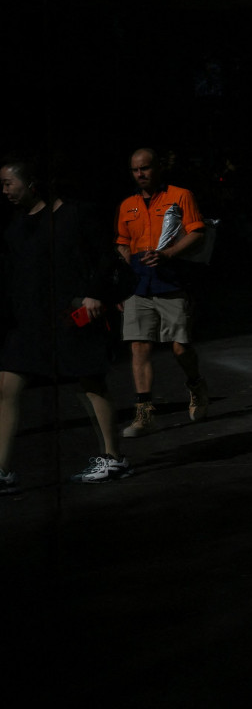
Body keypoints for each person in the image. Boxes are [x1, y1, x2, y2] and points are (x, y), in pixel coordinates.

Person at [0, 160, 127, 491]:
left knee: (90, 384)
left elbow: (106, 256)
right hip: (29, 320)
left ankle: (113, 459)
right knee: (7, 386)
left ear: (31, 184)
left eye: (8, 183)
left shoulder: (74, 214)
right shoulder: (17, 224)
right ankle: (1, 471)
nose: (4, 191)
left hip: (71, 314)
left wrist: (95, 294)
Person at [116, 148, 209, 438]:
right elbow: (122, 242)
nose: (140, 174)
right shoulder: (127, 204)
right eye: (135, 170)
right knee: (139, 346)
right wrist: (121, 282)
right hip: (138, 281)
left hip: (171, 278)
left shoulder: (180, 196)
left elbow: (197, 232)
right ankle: (144, 413)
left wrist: (168, 254)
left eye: (145, 168)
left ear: (157, 168)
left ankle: (195, 385)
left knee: (180, 345)